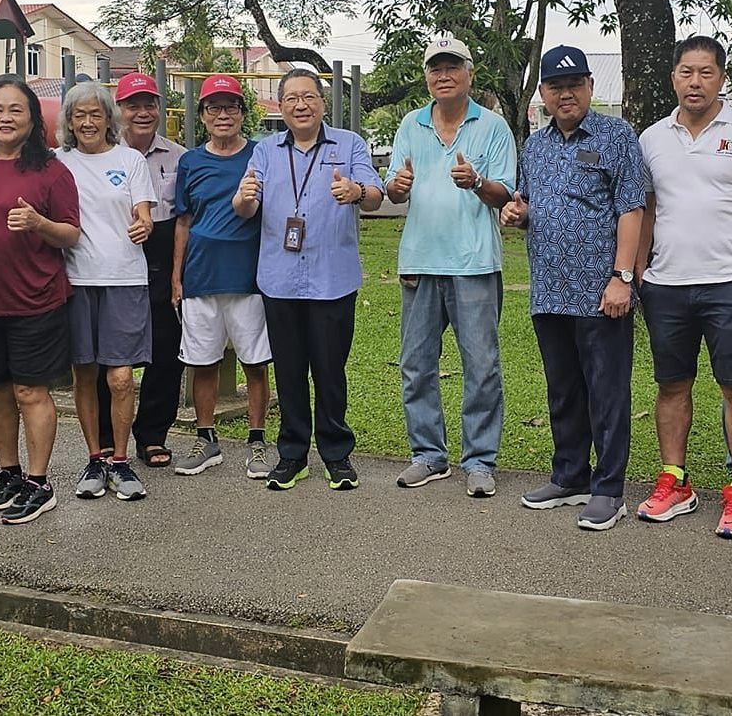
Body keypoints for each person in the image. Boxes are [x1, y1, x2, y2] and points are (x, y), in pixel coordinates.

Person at [635, 35, 732, 540]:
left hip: (731, 284)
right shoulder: (652, 137)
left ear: (722, 77)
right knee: (671, 385)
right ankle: (675, 482)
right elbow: (646, 211)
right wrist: (637, 274)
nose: (694, 82)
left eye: (705, 72)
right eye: (685, 72)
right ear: (673, 77)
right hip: (666, 284)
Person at [503, 46, 645, 531]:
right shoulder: (536, 145)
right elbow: (526, 203)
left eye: (575, 84)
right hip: (549, 290)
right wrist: (517, 213)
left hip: (601, 292)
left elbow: (632, 209)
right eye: (556, 86)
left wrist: (622, 277)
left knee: (606, 392)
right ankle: (570, 476)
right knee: (563, 390)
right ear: (543, 93)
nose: (566, 94)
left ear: (589, 88)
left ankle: (609, 489)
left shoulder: (615, 136)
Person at [234, 67, 383, 491]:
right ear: (281, 107)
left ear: (322, 103)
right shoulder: (264, 152)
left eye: (309, 97)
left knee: (330, 370)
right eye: (292, 98)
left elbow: (375, 196)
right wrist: (242, 200)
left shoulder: (350, 144)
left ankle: (336, 454)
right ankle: (293, 454)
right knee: (290, 370)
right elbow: (247, 206)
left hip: (332, 279)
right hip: (280, 281)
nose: (301, 105)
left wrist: (356, 192)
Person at [383, 36, 517, 499]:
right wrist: (396, 185)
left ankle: (479, 461)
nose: (444, 75)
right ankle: (428, 455)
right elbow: (396, 191)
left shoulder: (493, 126)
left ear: (469, 73)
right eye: (435, 68)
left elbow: (506, 194)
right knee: (416, 365)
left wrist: (477, 181)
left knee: (481, 366)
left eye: (452, 67)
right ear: (427, 77)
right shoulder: (410, 124)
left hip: (475, 263)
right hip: (420, 259)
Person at [0, 76, 81, 526]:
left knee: (31, 390)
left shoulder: (51, 171)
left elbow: (71, 233)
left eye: (16, 110)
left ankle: (39, 482)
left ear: (32, 119)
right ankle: (9, 472)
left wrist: (38, 222)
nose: (5, 118)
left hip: (36, 299)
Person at [171, 74, 274, 479]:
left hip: (249, 278)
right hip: (200, 276)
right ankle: (206, 437)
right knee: (202, 361)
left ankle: (257, 440)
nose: (223, 114)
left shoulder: (261, 156)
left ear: (243, 113)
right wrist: (176, 277)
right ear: (203, 116)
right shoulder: (190, 161)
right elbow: (183, 221)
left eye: (231, 106)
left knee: (255, 362)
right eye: (214, 107)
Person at [58, 82, 156, 503]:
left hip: (125, 279)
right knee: (85, 374)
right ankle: (94, 458)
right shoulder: (57, 162)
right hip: (76, 280)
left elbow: (144, 216)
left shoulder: (130, 160)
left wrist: (144, 225)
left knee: (119, 379)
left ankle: (120, 459)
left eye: (95, 114)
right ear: (68, 121)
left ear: (108, 119)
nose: (87, 122)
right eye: (79, 115)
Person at [91, 72, 186, 468]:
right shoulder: (97, 153)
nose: (143, 112)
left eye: (150, 104)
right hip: (112, 255)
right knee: (110, 354)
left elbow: (185, 217)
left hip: (163, 254)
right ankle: (109, 440)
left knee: (166, 351)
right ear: (119, 110)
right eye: (133, 105)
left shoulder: (180, 157)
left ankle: (152, 435)